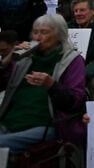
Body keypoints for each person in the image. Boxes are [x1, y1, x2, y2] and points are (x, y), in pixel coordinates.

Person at [0, 15, 86, 153]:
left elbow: (75, 101)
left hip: (47, 125)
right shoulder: (25, 58)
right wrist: (7, 61)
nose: (38, 37)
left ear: (59, 35)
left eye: (44, 32)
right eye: (35, 32)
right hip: (12, 120)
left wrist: (51, 85)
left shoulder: (72, 60)